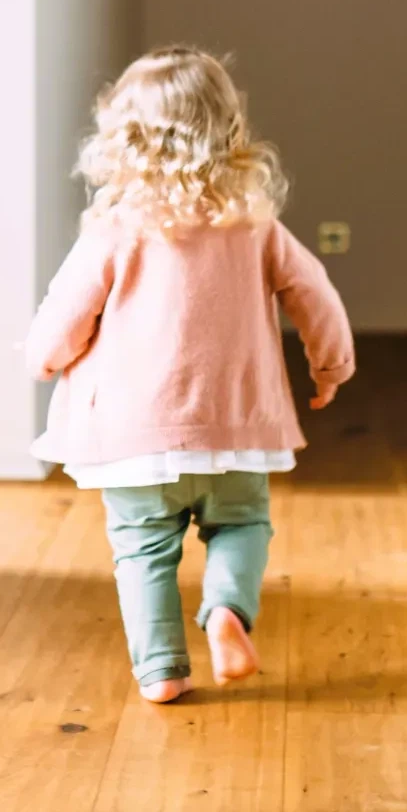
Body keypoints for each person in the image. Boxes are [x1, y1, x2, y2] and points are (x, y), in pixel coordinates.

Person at [26, 45, 355, 702]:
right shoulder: (254, 223)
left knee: (143, 550)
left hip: (133, 436)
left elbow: (67, 313)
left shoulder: (116, 228)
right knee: (241, 526)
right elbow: (312, 291)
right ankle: (228, 609)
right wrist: (331, 363)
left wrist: (45, 358)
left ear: (125, 137)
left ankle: (162, 671)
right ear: (230, 130)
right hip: (236, 427)